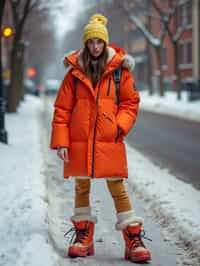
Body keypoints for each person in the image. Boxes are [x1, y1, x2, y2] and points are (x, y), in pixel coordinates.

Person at [50, 13, 152, 263]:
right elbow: (62, 110)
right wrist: (62, 142)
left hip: (109, 139)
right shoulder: (73, 74)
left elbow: (130, 103)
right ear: (85, 43)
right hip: (80, 140)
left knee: (117, 187)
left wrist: (119, 127)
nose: (95, 46)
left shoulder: (120, 73)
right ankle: (83, 238)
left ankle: (133, 240)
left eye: (99, 42)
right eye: (91, 42)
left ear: (105, 43)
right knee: (82, 186)